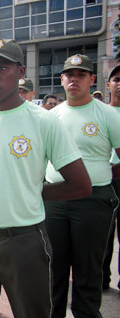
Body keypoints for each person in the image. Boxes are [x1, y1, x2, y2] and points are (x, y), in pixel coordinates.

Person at [0, 37, 91, 317]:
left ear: (21, 72)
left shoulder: (44, 121)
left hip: (25, 240)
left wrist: (32, 191)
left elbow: (81, 185)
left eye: (2, 68)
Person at [44, 54, 120, 317]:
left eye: (80, 74)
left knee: (88, 267)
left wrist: (103, 175)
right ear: (62, 79)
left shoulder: (108, 114)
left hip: (93, 200)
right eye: (69, 74)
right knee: (54, 265)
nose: (74, 79)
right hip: (55, 199)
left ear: (92, 79)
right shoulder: (51, 116)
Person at [103, 64, 120, 291]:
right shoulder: (101, 113)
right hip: (106, 180)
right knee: (103, 236)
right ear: (108, 85)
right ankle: (101, 280)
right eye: (116, 79)